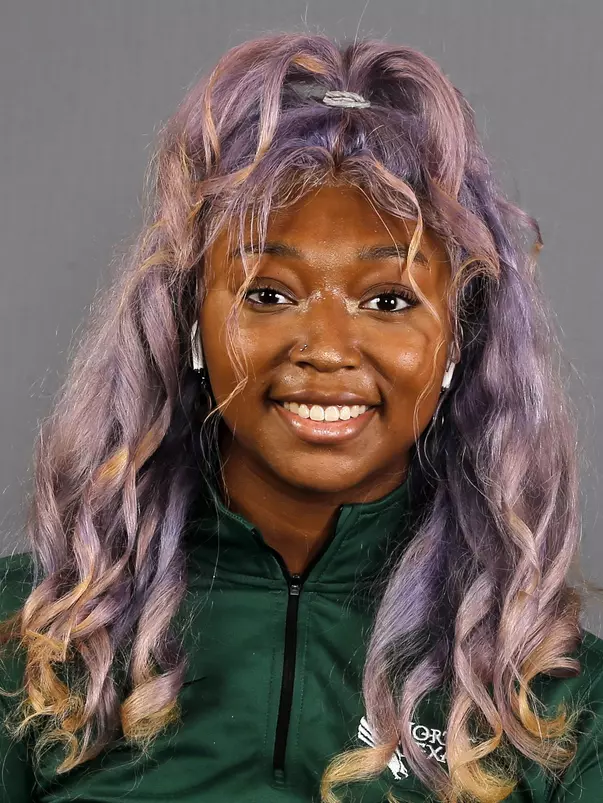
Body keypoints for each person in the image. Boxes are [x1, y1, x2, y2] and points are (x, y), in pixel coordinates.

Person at [1, 31, 603, 803]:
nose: (324, 348)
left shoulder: (553, 699)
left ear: (460, 336)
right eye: (268, 294)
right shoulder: (36, 642)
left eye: (387, 300)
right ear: (188, 318)